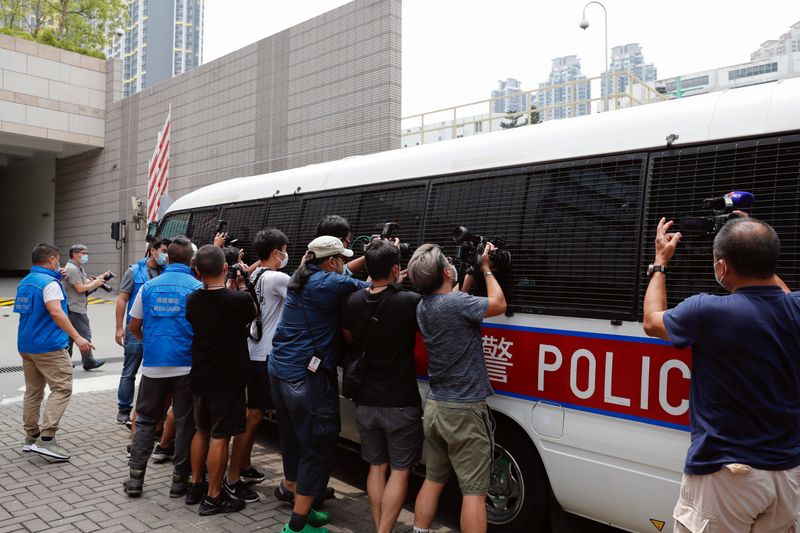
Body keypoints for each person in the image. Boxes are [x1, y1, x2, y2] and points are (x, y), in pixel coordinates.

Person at [643, 216, 800, 532]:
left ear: (722, 268)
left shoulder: (706, 311)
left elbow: (651, 321)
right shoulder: (795, 307)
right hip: (787, 474)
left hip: (727, 475)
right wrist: (756, 243)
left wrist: (660, 262)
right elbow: (780, 292)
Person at [269, 236, 369, 533]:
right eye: (341, 259)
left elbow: (341, 278)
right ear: (332, 262)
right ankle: (298, 526)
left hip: (281, 371)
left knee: (292, 441)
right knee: (317, 444)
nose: (342, 265)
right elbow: (372, 289)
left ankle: (304, 505)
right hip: (306, 377)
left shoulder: (302, 278)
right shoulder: (329, 283)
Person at [407, 243, 506, 533]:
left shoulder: (423, 307)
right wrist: (487, 271)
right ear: (446, 272)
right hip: (464, 411)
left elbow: (453, 300)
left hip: (437, 408)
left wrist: (466, 279)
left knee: (433, 480)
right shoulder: (457, 304)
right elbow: (499, 304)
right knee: (474, 493)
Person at [341, 239, 422, 533]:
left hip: (365, 400)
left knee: (376, 468)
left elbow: (348, 338)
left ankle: (379, 527)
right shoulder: (408, 301)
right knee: (400, 471)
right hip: (400, 401)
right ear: (396, 268)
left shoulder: (352, 300)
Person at [124, 236, 202, 498]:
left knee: (145, 420)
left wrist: (152, 344)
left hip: (154, 366)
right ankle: (179, 483)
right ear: (192, 260)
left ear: (167, 258)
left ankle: (135, 480)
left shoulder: (148, 287)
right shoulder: (198, 288)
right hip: (186, 366)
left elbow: (133, 326)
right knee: (184, 423)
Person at [186, 245, 256, 515]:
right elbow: (249, 318)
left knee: (201, 430)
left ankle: (196, 484)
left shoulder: (192, 300)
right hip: (228, 377)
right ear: (226, 268)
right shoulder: (238, 301)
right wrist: (239, 285)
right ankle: (214, 496)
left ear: (197, 272)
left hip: (201, 374)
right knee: (220, 436)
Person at [225, 229, 290, 503]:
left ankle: (244, 466)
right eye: (285, 250)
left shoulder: (256, 274)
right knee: (252, 418)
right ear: (277, 252)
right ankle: (232, 478)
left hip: (253, 349)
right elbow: (306, 295)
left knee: (253, 416)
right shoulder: (278, 278)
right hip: (264, 355)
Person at [14, 243, 95, 461]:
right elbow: (55, 311)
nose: (58, 263)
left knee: (33, 391)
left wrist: (55, 280)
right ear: (51, 260)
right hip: (49, 347)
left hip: (27, 346)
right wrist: (77, 337)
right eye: (57, 260)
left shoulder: (26, 282)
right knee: (62, 388)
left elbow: (34, 309)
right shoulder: (49, 284)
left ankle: (31, 437)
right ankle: (47, 440)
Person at [114, 238, 170, 426]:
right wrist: (119, 327)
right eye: (163, 250)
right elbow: (122, 299)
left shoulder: (167, 271)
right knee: (130, 370)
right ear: (152, 250)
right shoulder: (134, 271)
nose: (166, 255)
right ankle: (123, 409)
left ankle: (149, 411)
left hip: (157, 330)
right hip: (135, 328)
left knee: (154, 372)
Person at [62, 243, 107, 370]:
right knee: (85, 335)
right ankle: (88, 361)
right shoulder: (72, 269)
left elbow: (83, 282)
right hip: (75, 308)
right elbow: (80, 288)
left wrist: (98, 279)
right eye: (83, 253)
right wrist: (95, 284)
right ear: (75, 254)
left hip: (74, 307)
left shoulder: (77, 267)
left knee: (70, 337)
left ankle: (66, 362)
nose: (86, 255)